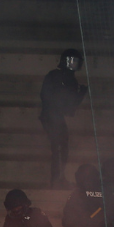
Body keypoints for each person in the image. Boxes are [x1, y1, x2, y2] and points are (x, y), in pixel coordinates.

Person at [39, 49, 88, 187]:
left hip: (57, 116)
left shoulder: (71, 80)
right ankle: (57, 179)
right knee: (59, 147)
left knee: (62, 147)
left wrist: (80, 94)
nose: (74, 64)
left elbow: (70, 108)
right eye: (72, 61)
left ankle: (59, 178)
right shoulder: (54, 75)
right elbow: (45, 96)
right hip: (51, 116)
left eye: (76, 62)